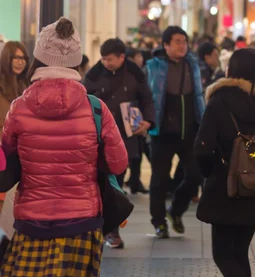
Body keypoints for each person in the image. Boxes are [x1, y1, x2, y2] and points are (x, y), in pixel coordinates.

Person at [0, 17, 128, 276]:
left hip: (30, 220)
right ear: (76, 62)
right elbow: (118, 163)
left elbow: (6, 160)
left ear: (37, 59)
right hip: (82, 220)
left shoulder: (18, 108)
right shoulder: (95, 108)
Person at [194, 49, 255, 277]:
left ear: (230, 69)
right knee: (240, 251)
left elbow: (202, 147)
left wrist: (213, 172)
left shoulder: (218, 101)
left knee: (222, 253)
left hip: (224, 188)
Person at [83, 38, 156, 249]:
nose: (106, 62)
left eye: (110, 59)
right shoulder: (94, 75)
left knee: (118, 185)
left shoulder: (135, 72)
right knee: (100, 183)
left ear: (122, 57)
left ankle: (112, 230)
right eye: (103, 59)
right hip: (98, 138)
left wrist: (148, 121)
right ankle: (102, 228)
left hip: (126, 136)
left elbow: (147, 99)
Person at [146, 26, 205, 238]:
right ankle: (159, 222)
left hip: (189, 130)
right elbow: (146, 95)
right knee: (159, 179)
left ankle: (176, 210)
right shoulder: (153, 66)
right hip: (162, 132)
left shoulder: (193, 64)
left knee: (196, 174)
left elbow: (199, 95)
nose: (182, 46)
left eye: (184, 41)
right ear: (166, 45)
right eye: (177, 41)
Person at [0, 41, 29, 136]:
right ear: (6, 59)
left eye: (23, 58)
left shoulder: (27, 86)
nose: (20, 62)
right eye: (16, 58)